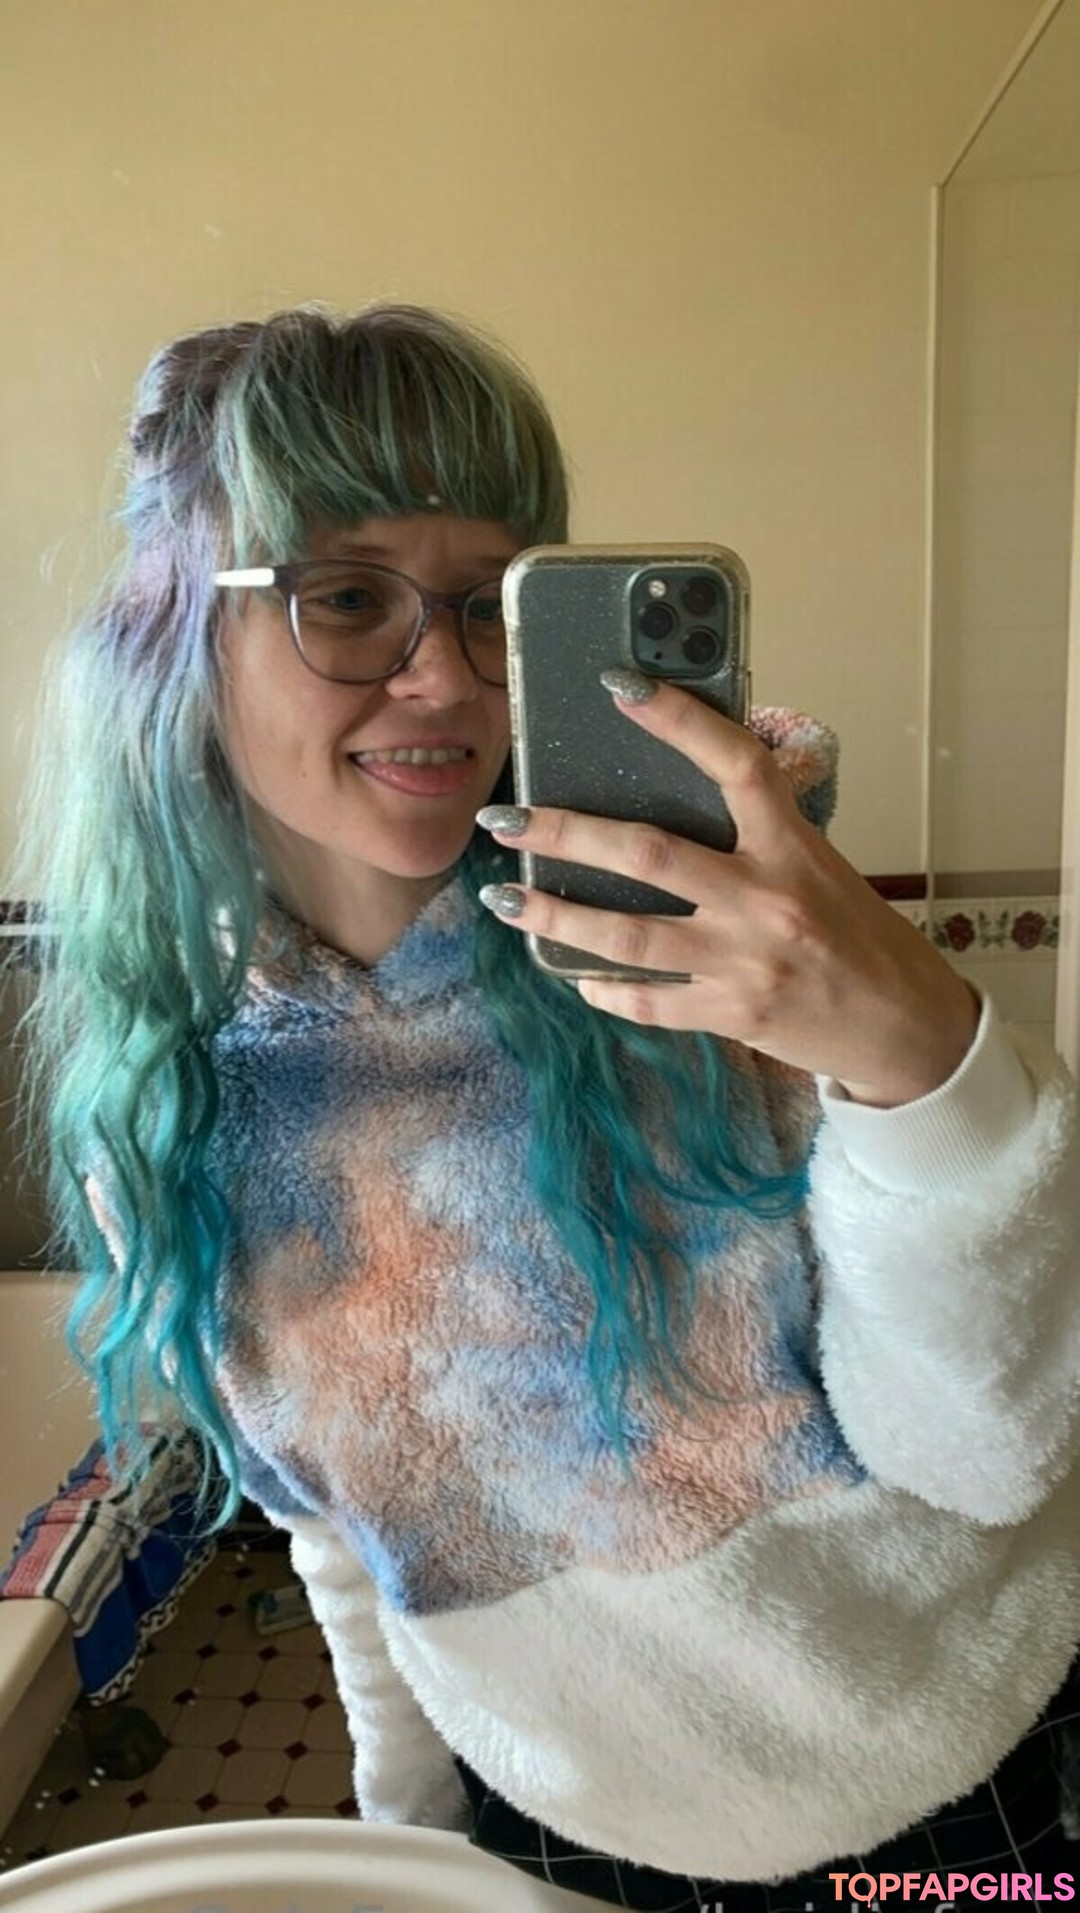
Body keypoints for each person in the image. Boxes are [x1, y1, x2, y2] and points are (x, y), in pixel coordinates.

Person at [17, 303, 1079, 1911]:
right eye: (347, 596)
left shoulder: (720, 951)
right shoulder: (171, 1115)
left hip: (956, 1787)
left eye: (492, 602)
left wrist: (923, 1060)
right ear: (176, 632)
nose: (445, 678)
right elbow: (355, 1538)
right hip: (559, 1822)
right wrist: (406, 1826)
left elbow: (992, 1455)